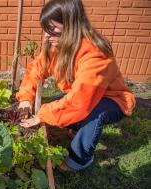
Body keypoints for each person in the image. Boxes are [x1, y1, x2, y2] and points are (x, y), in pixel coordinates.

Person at [16, 0, 135, 171]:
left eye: (52, 31)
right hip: (84, 96)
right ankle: (77, 127)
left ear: (71, 26)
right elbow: (36, 69)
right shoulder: (57, 46)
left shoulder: (96, 54)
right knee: (56, 107)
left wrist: (43, 114)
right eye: (45, 30)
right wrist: (26, 98)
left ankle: (79, 159)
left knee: (93, 113)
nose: (46, 36)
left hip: (111, 99)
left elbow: (81, 102)